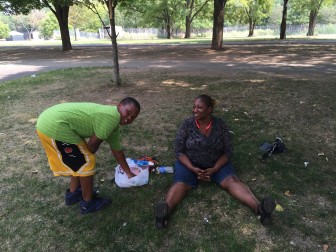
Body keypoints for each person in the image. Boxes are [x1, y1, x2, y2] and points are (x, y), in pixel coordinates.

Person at [155, 94, 275, 228]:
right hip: (189, 164)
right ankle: (164, 214)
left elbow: (228, 152)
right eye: (194, 107)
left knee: (232, 181)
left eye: (199, 107)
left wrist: (215, 168)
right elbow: (178, 151)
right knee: (180, 184)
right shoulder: (187, 124)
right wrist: (192, 168)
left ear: (209, 109)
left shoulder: (221, 125)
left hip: (216, 163)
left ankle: (260, 209)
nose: (195, 110)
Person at [36, 97, 140, 214]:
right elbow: (92, 145)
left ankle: (73, 194)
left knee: (81, 160)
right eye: (128, 112)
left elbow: (117, 151)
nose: (128, 118)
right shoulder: (112, 117)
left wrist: (129, 174)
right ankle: (88, 203)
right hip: (54, 125)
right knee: (86, 161)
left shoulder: (112, 124)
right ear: (120, 105)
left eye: (132, 117)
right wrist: (85, 158)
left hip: (50, 121)